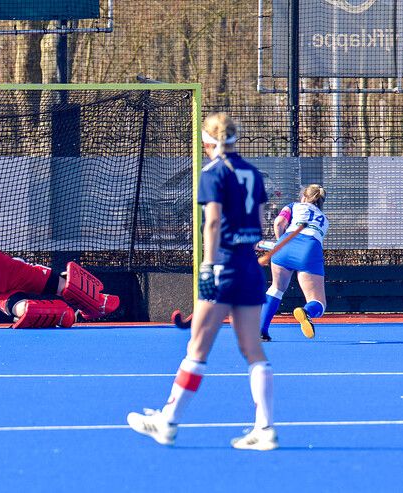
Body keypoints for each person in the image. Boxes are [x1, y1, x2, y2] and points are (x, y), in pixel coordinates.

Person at [127, 112, 278, 451]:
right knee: (253, 349)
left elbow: (212, 223)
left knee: (197, 348)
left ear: (208, 142)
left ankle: (167, 422)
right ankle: (265, 429)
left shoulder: (212, 172)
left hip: (223, 264)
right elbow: (258, 218)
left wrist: (209, 266)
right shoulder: (253, 173)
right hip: (249, 266)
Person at [259, 185, 329, 341]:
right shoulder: (324, 219)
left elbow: (278, 223)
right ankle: (307, 312)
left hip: (285, 245)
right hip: (309, 249)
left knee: (276, 288)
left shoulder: (293, 206)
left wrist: (280, 243)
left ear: (304, 197)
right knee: (318, 302)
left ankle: (261, 330)